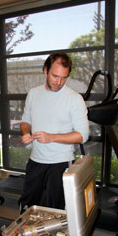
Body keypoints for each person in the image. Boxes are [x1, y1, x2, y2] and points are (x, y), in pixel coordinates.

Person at [19, 52, 89, 213]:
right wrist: (25, 132)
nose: (59, 82)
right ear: (45, 71)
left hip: (60, 163)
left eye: (64, 77)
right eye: (55, 76)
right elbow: (26, 120)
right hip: (35, 161)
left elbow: (82, 135)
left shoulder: (74, 99)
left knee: (54, 211)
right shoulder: (33, 93)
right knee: (27, 206)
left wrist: (51, 137)